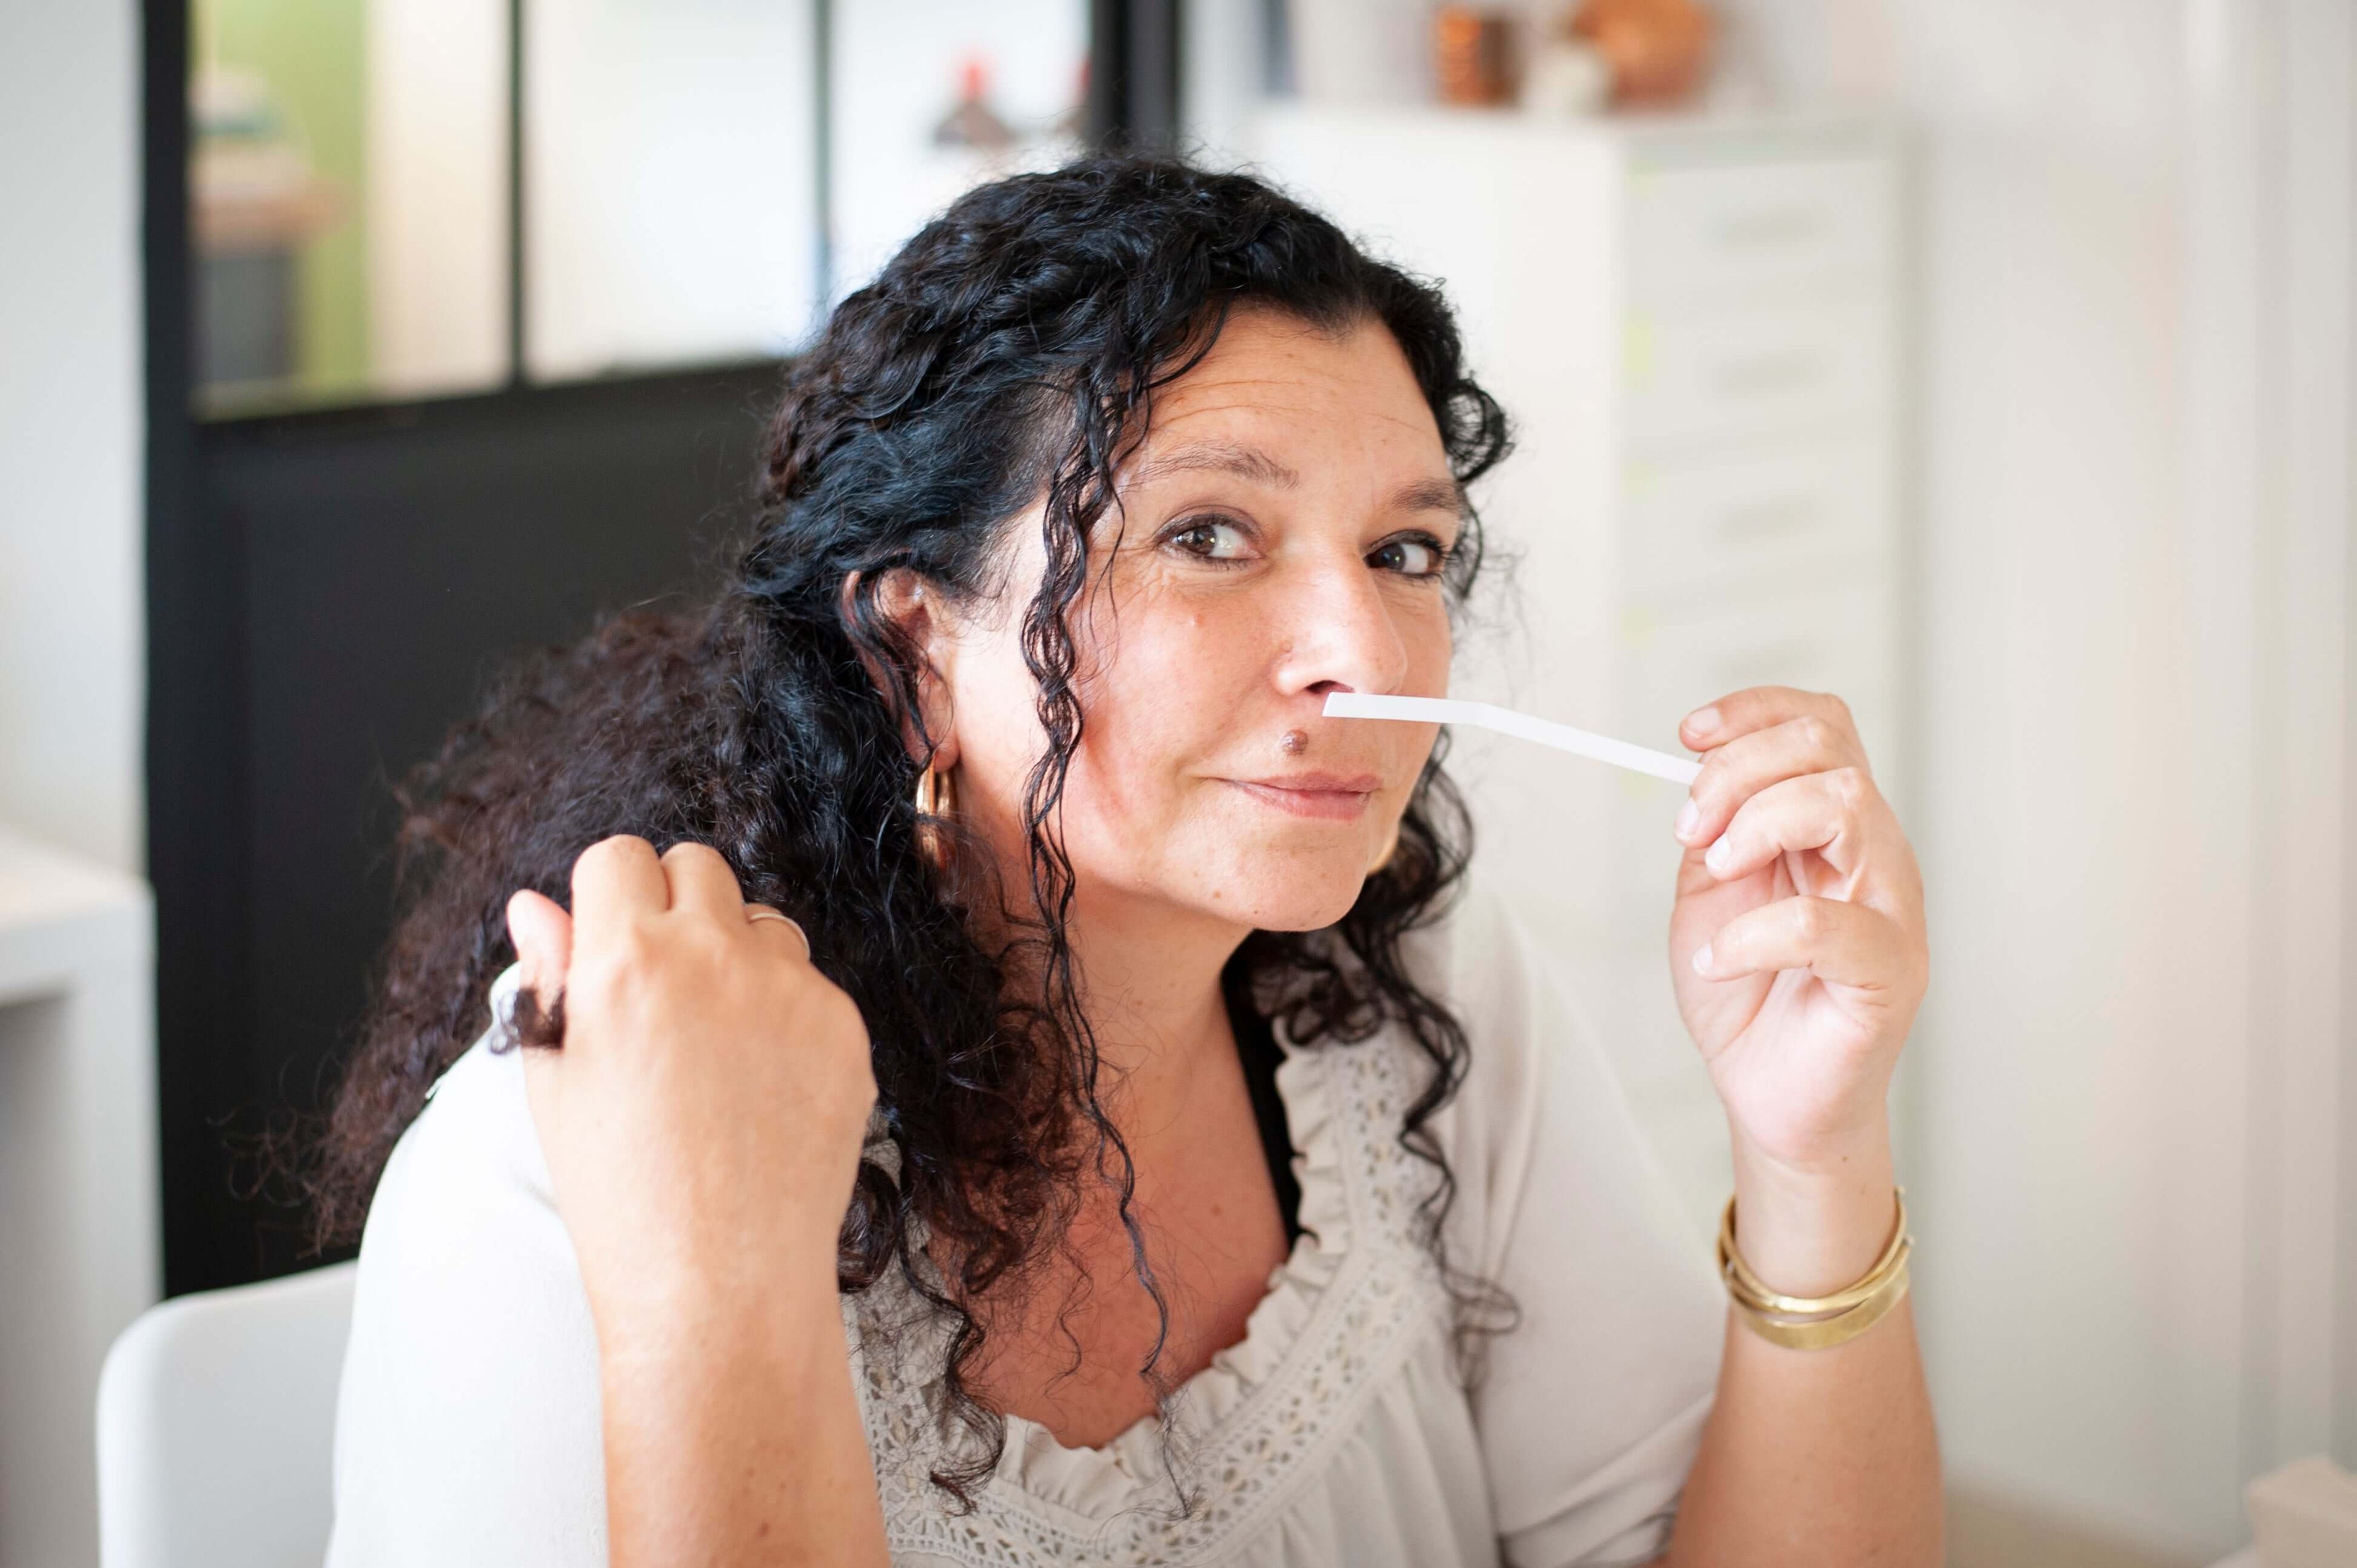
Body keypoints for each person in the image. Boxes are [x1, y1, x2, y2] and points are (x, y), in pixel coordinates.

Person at [317, 156, 1938, 1567]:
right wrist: (730, 1305)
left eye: (1406, 550)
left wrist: (1813, 1153)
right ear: (910, 649)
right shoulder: (567, 1159)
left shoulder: (1414, 999)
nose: (1360, 642)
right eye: (1209, 535)